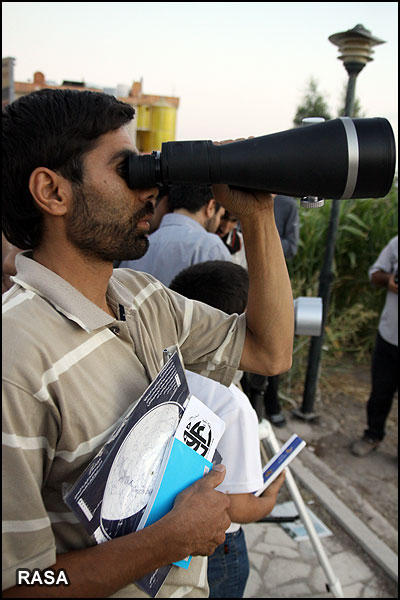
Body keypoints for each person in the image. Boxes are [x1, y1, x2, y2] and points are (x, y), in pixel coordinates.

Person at [2, 88, 294, 598]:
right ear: (52, 191)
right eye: (125, 171)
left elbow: (270, 352)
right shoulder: (15, 357)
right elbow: (20, 583)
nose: (149, 192)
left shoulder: (141, 296)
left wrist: (258, 214)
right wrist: (167, 542)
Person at [170, 261, 286, 598]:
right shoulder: (232, 404)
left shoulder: (163, 370)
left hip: (171, 533)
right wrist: (270, 499)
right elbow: (236, 507)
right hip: (220, 549)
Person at [242, 195, 300, 427]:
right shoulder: (240, 192)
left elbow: (292, 246)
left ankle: (271, 405)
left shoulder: (287, 205)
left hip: (271, 285)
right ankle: (247, 404)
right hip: (240, 280)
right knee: (243, 344)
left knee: (270, 345)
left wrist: (259, 232)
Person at [119, 183, 232, 285]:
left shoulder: (137, 247)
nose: (218, 223)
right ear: (211, 207)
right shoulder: (210, 247)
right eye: (221, 216)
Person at [351, 235, 398, 457]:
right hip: (389, 335)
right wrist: (390, 280)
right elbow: (375, 273)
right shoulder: (396, 243)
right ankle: (373, 435)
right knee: (380, 392)